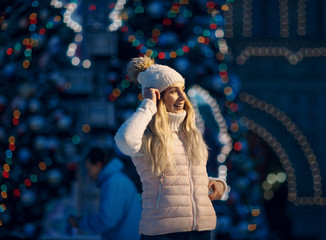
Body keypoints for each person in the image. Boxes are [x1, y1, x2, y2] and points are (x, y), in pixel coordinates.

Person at [114, 56, 227, 239]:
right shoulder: (147, 137)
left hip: (201, 231)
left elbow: (185, 180)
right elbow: (124, 141)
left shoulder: (192, 134)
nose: (183, 97)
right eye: (174, 91)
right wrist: (148, 105)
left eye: (182, 90)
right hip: (163, 232)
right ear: (158, 95)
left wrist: (216, 183)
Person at [67, 147, 141, 240]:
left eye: (89, 169)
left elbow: (107, 221)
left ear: (98, 165)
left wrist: (79, 223)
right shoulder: (116, 180)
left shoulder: (114, 183)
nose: (89, 175)